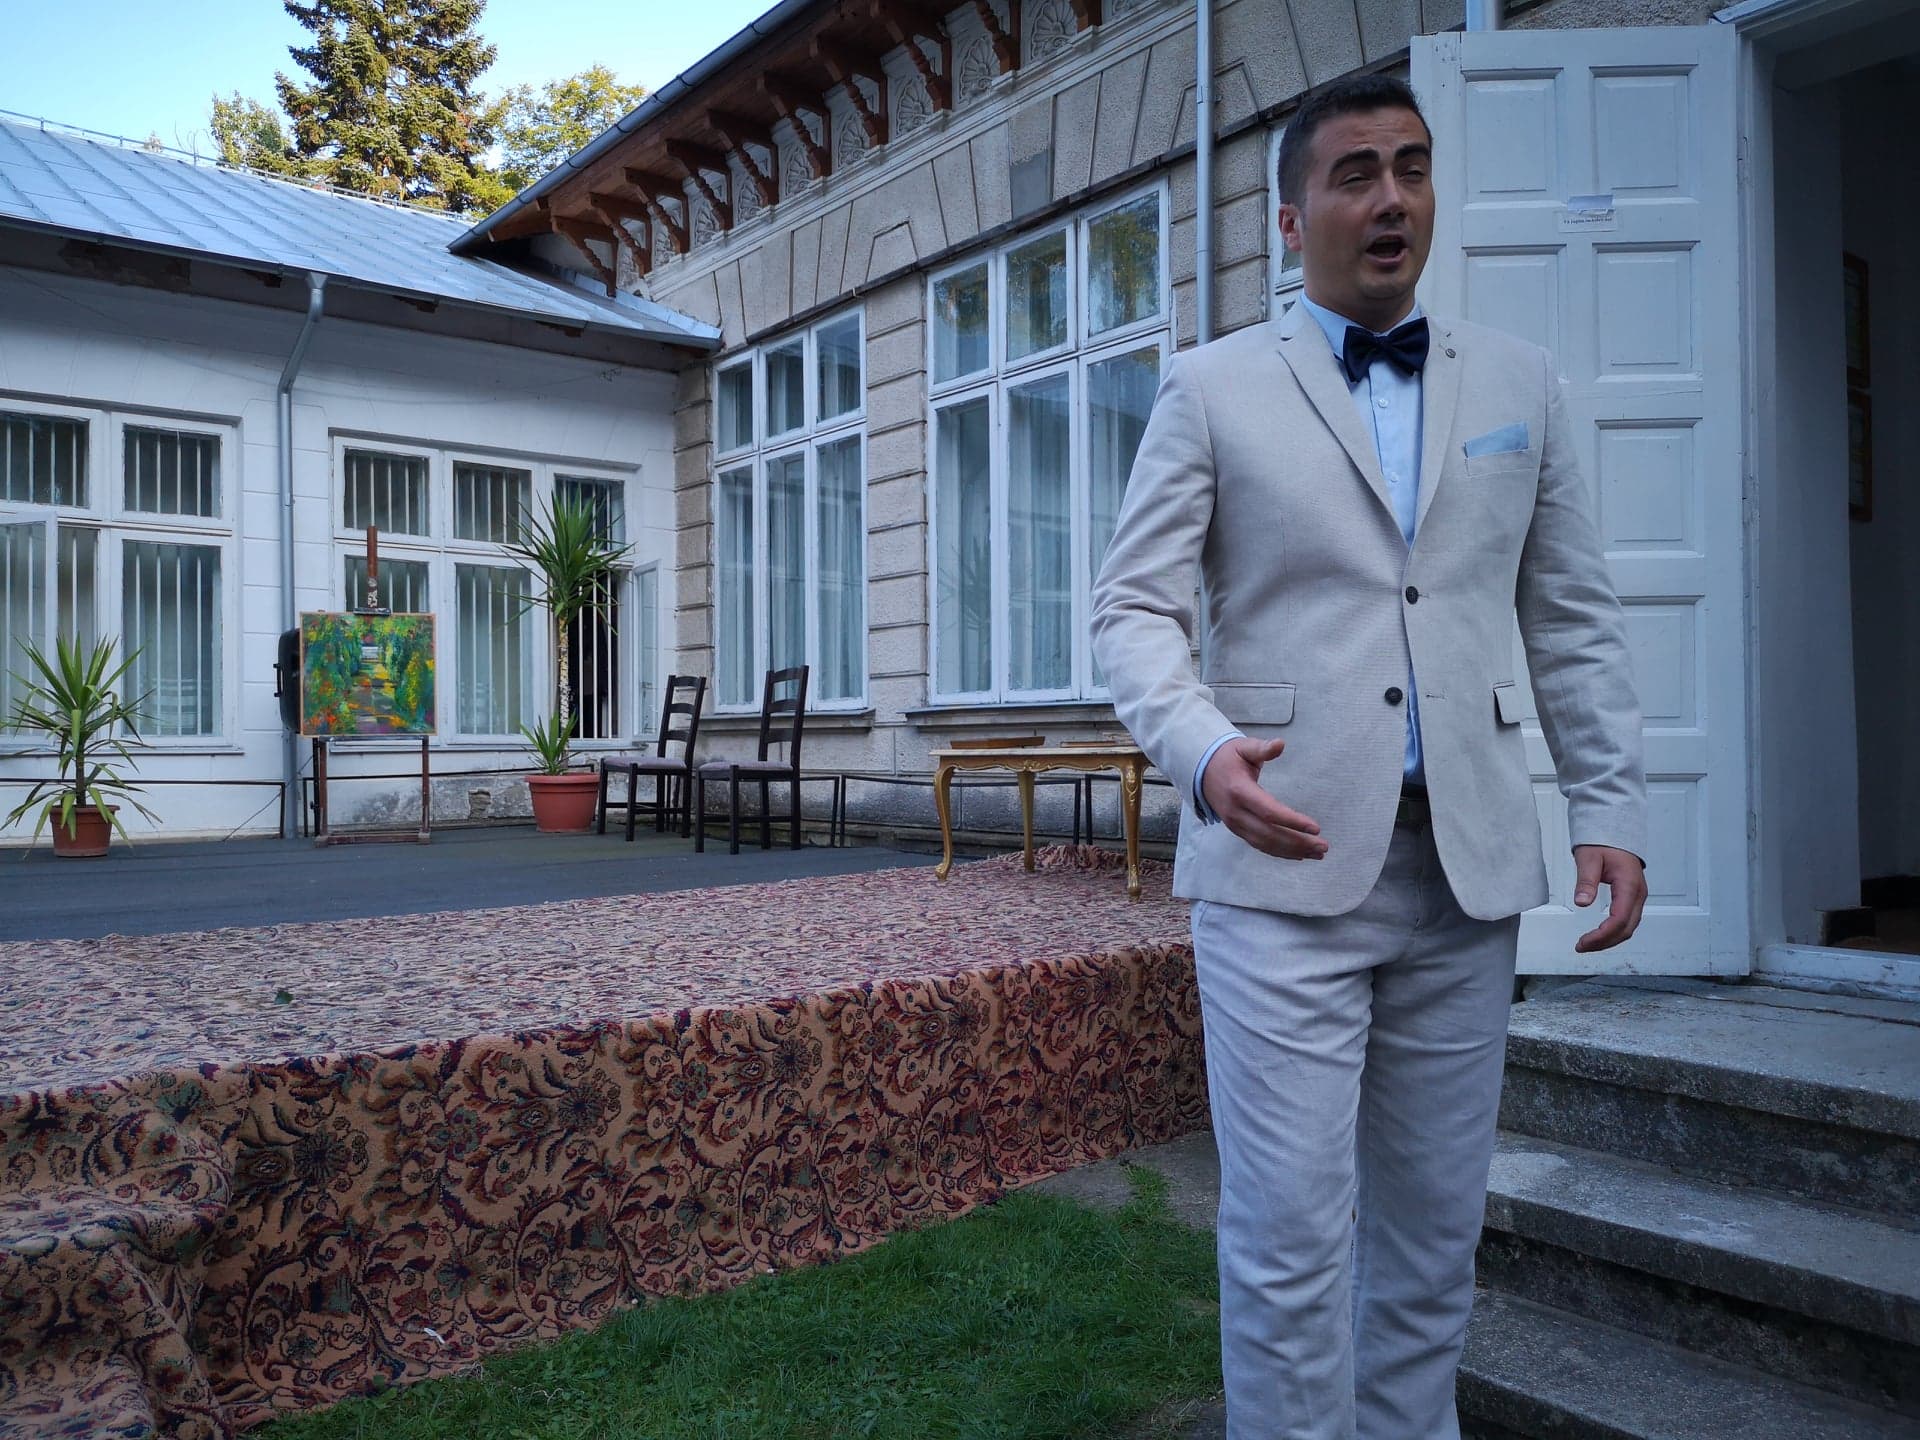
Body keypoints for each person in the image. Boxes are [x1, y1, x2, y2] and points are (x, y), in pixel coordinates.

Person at [1089, 73, 1648, 1440]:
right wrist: (1203, 751)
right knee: (1288, 1242)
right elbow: (1133, 610)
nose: (1391, 197)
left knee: (1433, 1238)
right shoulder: (1210, 387)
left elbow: (1571, 616)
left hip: (1467, 872)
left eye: (1411, 167)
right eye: (1354, 174)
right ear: (1291, 220)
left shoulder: (1519, 384)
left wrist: (1609, 804)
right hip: (1282, 864)